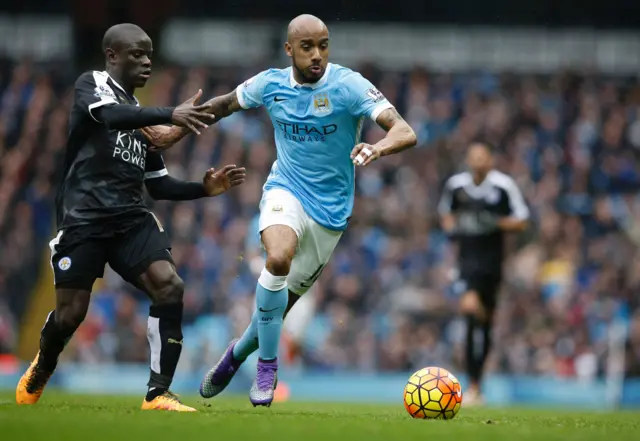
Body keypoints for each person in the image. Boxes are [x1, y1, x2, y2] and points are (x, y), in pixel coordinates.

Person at [15, 23, 246, 412]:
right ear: (112, 56)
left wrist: (204, 189)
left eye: (149, 55)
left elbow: (158, 185)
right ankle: (43, 365)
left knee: (169, 285)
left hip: (129, 221)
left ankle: (158, 393)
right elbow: (108, 116)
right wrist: (171, 113)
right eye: (137, 54)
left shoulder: (138, 118)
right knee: (71, 315)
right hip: (84, 219)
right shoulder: (93, 85)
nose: (146, 62)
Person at [191, 13, 416, 406]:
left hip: (330, 215)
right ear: (289, 49)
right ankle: (266, 368)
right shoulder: (270, 84)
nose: (317, 55)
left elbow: (404, 130)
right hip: (286, 190)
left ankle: (235, 354)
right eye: (307, 46)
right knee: (277, 258)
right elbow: (224, 105)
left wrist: (377, 148)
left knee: (273, 315)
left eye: (324, 45)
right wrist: (173, 126)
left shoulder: (348, 85)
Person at [438, 141, 529, 405]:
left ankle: (477, 385)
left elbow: (522, 219)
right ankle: (473, 385)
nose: (477, 161)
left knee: (485, 325)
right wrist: (452, 228)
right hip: (466, 260)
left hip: (492, 263)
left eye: (482, 157)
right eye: (473, 157)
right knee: (468, 311)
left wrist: (496, 222)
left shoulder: (503, 186)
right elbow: (446, 214)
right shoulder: (456, 186)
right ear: (468, 160)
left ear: (490, 160)